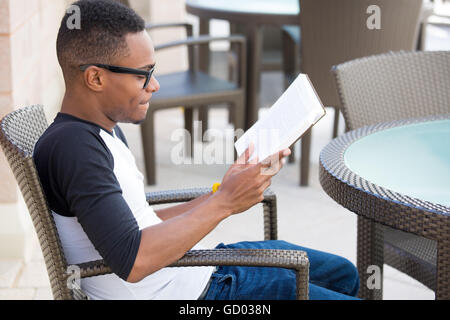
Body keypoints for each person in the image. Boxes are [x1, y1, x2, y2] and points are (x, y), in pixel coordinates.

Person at [33, 0, 360, 300]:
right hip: (197, 294)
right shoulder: (75, 150)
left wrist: (224, 187)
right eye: (143, 74)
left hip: (199, 273)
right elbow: (133, 260)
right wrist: (225, 202)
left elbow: (139, 222)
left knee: (342, 273)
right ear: (95, 78)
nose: (154, 84)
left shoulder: (98, 131)